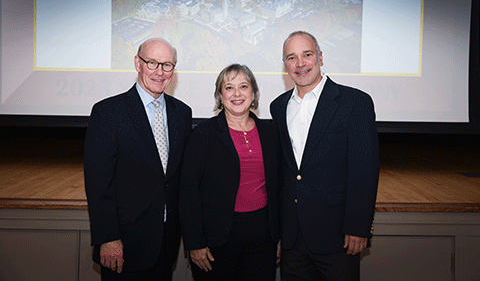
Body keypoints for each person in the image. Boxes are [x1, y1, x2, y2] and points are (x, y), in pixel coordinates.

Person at [270, 31, 380, 281]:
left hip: (338, 236)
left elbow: (365, 169)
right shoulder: (278, 106)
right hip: (292, 239)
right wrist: (277, 233)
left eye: (307, 55)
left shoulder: (355, 102)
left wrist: (358, 227)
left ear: (319, 56)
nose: (300, 64)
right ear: (285, 64)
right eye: (291, 57)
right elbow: (284, 175)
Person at [84, 37, 192, 280]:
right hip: (122, 246)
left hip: (165, 244)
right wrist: (108, 238)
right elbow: (98, 183)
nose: (160, 72)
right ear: (137, 63)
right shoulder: (108, 113)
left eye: (167, 65)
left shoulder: (182, 114)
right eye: (152, 63)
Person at [179, 64, 281, 281]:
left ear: (253, 92)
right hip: (216, 240)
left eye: (244, 86)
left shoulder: (270, 133)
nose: (237, 94)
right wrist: (195, 243)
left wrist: (279, 236)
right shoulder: (203, 135)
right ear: (220, 94)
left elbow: (278, 188)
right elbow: (188, 192)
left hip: (263, 240)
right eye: (229, 87)